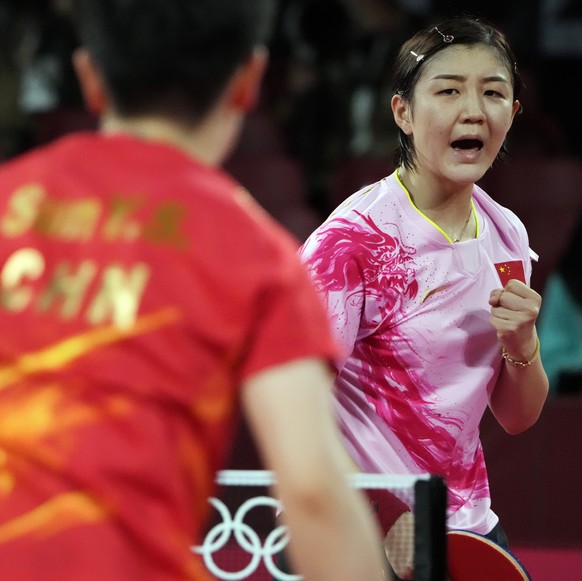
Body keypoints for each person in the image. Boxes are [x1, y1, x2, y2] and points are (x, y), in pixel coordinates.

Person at [0, 1, 390, 580]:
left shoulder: (7, 199)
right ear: (249, 81)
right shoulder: (257, 254)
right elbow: (312, 493)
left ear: (89, 78)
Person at [295, 15, 549, 580]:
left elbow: (517, 417)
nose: (474, 110)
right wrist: (385, 516)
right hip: (366, 530)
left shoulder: (506, 233)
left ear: (513, 113)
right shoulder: (351, 243)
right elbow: (296, 409)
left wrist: (521, 343)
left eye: (493, 92)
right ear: (403, 113)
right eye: (449, 90)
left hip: (469, 523)